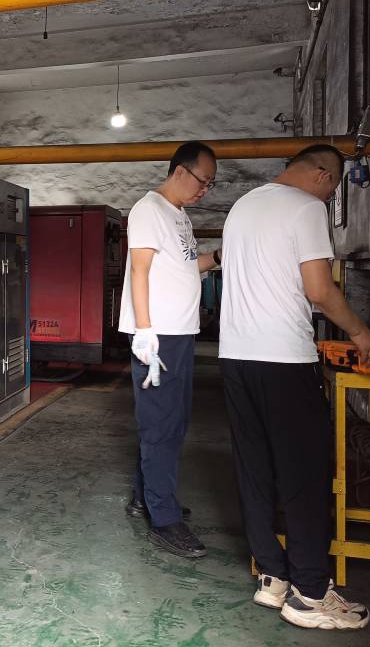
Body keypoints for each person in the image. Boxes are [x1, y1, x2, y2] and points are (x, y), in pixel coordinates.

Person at [220, 144, 370, 630]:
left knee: (255, 468)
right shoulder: (308, 207)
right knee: (304, 475)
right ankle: (310, 592)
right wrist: (360, 333)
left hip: (236, 356)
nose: (330, 198)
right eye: (333, 189)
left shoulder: (242, 206)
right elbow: (319, 289)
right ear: (322, 175)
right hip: (284, 360)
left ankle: (272, 577)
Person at [120, 141, 221, 558]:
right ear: (180, 171)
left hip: (178, 334)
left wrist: (219, 256)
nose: (205, 190)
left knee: (172, 422)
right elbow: (140, 271)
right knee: (161, 425)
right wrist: (144, 331)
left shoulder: (178, 215)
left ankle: (145, 496)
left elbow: (185, 266)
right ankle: (164, 520)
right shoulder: (148, 210)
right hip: (158, 336)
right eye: (202, 181)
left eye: (210, 185)